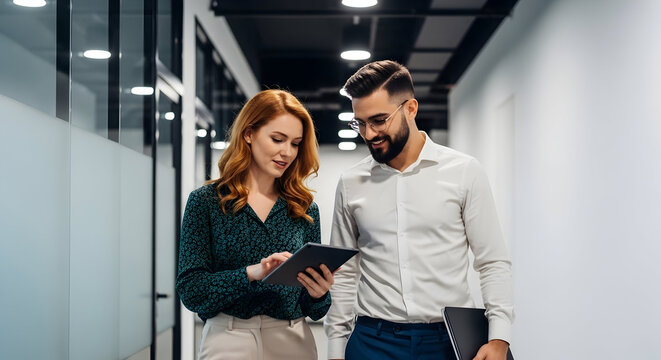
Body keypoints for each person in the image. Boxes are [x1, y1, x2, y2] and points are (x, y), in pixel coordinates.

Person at [323, 60, 514, 360]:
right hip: (372, 342)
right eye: (359, 123)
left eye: (379, 120)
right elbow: (344, 274)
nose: (369, 133)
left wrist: (499, 338)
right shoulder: (351, 183)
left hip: (446, 342)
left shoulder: (464, 171)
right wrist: (335, 350)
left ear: (410, 108)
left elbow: (492, 261)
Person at [177, 89, 336, 360]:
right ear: (248, 134)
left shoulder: (304, 209)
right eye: (277, 139)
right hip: (227, 340)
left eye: (295, 143)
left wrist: (320, 293)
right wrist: (254, 272)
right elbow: (192, 290)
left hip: (292, 339)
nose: (287, 152)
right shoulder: (206, 202)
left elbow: (315, 309)